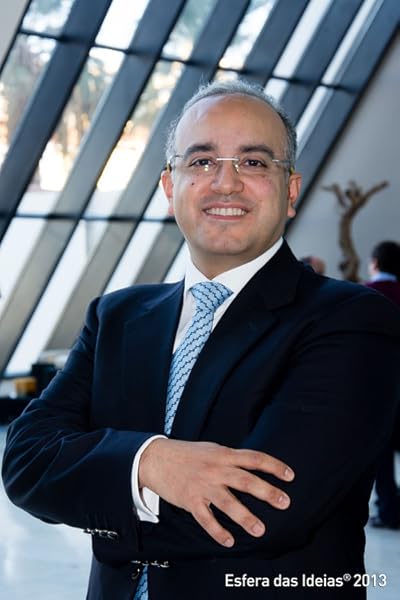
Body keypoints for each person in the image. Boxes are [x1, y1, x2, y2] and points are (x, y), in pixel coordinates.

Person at [2, 80, 400, 600]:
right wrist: (149, 461)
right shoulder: (116, 316)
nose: (226, 183)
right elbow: (24, 460)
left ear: (291, 191)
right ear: (171, 188)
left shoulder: (351, 320)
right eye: (202, 161)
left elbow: (260, 512)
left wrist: (99, 494)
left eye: (253, 162)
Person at [365, 240, 400, 529]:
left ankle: (388, 510)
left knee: (382, 453)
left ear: (375, 262)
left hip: (379, 385)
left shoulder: (362, 295)